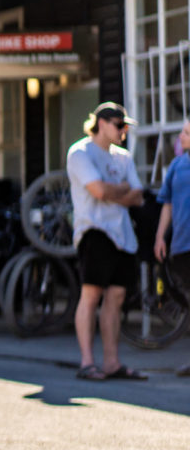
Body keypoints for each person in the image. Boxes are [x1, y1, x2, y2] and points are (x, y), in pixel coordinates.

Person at [68, 102, 148, 381]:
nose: (123, 131)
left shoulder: (123, 157)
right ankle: (87, 362)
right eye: (119, 125)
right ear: (101, 124)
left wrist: (115, 192)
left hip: (123, 235)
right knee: (91, 295)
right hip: (95, 231)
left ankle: (112, 362)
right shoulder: (80, 153)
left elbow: (138, 196)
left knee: (116, 297)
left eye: (126, 127)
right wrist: (120, 189)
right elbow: (98, 191)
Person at [151, 117, 190, 378]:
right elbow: (167, 203)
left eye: (186, 132)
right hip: (182, 245)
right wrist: (160, 237)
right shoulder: (177, 165)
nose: (181, 136)